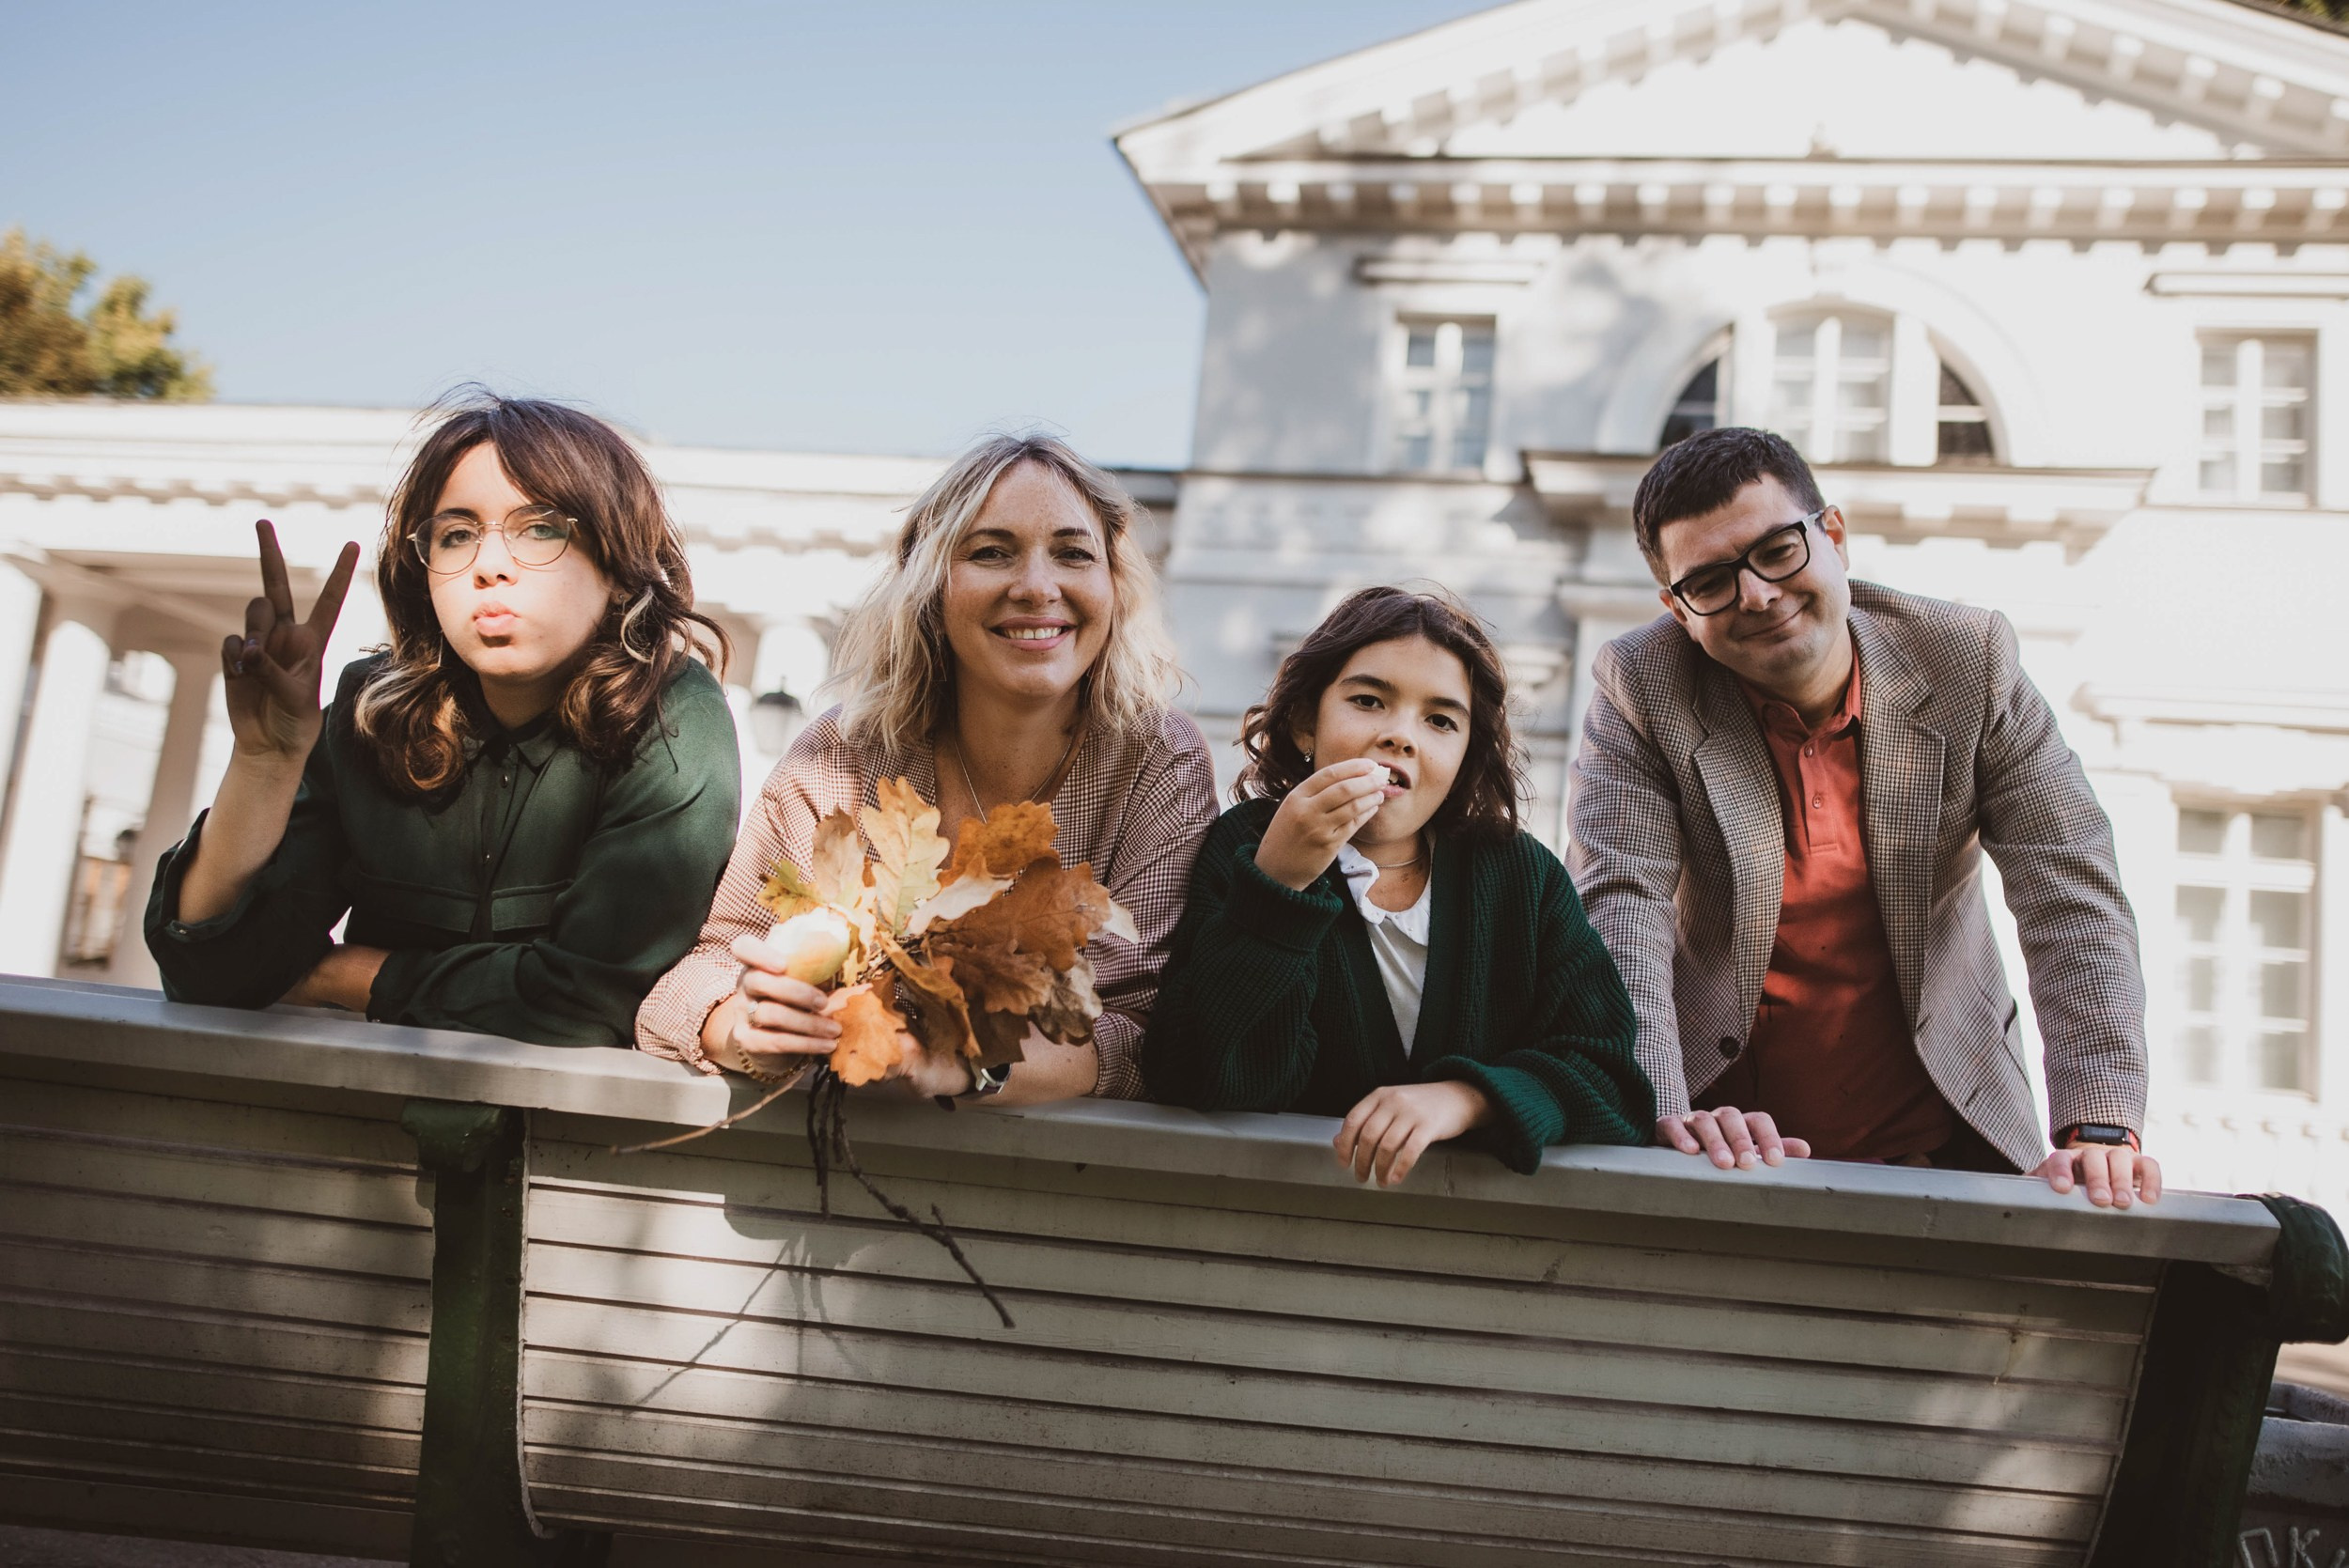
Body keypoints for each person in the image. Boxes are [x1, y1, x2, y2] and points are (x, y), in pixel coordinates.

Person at [1570, 427, 2159, 1206]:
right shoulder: (1640, 686)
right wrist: (1658, 1115)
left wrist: (2101, 1123)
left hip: (1946, 1145)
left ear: (1834, 537)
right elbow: (1619, 906)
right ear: (1679, 611)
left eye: (1777, 550)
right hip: (1724, 1155)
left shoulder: (1967, 660)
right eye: (1709, 581)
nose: (1756, 594)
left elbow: (2070, 888)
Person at [145, 394, 740, 1048]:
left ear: (620, 568)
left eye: (539, 527)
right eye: (456, 535)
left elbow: (588, 999)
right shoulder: (371, 710)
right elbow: (208, 971)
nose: (488, 566)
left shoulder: (674, 713)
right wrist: (264, 765)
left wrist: (350, 975)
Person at [638, 433, 1217, 1104]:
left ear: (1114, 586)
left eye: (1073, 553)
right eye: (991, 551)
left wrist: (968, 1061)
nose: (1036, 586)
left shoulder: (1158, 760)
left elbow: (1142, 1032)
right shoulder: (843, 752)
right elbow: (697, 976)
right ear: (931, 584)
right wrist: (745, 1027)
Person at [1143, 587, 1654, 1188]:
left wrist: (1469, 1098)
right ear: (1308, 721)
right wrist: (1279, 887)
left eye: (1439, 720)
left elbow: (1614, 1083)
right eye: (1368, 700)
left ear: (1467, 755)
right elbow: (1205, 1076)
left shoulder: (1522, 876)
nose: (1400, 735)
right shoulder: (1246, 849)